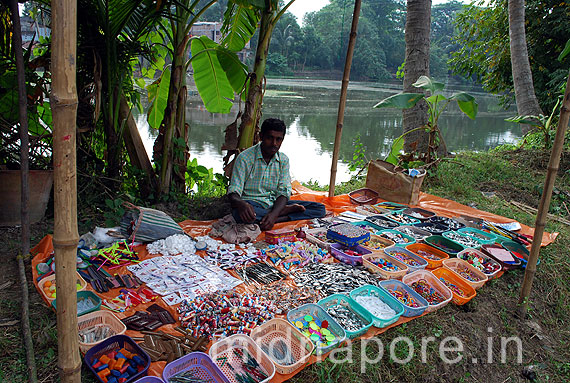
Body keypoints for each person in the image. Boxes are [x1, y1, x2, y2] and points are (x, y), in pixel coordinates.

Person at [227, 118, 326, 231]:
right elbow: (233, 192)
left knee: (320, 209)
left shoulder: (283, 160)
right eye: (270, 138)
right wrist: (241, 204)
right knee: (239, 215)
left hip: (274, 203)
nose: (274, 143)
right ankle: (281, 214)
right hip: (252, 204)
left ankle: (275, 217)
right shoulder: (245, 158)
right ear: (261, 136)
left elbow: (284, 192)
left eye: (278, 139)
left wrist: (274, 214)